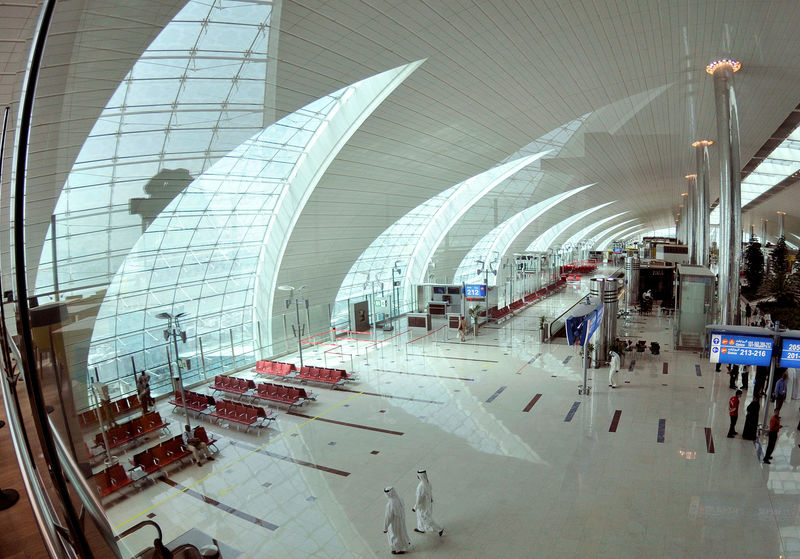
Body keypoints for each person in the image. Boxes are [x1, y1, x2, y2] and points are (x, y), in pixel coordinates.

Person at [412, 469, 444, 536]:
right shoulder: (427, 482)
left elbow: (419, 499)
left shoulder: (421, 486)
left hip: (423, 506)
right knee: (420, 517)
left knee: (426, 519)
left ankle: (439, 529)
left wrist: (415, 507)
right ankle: (421, 529)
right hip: (427, 504)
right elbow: (430, 492)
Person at [383, 486, 411, 555]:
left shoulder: (390, 504)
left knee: (395, 535)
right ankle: (405, 544)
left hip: (394, 523)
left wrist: (385, 527)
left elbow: (388, 517)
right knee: (402, 533)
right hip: (401, 521)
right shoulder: (400, 499)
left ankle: (398, 549)